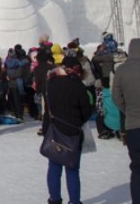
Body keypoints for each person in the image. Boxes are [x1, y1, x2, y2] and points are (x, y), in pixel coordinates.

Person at [43, 55, 93, 204]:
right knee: (72, 169)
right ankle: (75, 201)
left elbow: (48, 106)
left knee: (54, 166)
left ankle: (54, 198)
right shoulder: (78, 85)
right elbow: (86, 112)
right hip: (73, 131)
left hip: (54, 129)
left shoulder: (51, 83)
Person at [111, 38, 140, 204]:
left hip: (133, 125)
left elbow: (116, 97)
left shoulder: (122, 70)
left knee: (138, 168)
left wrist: (127, 111)